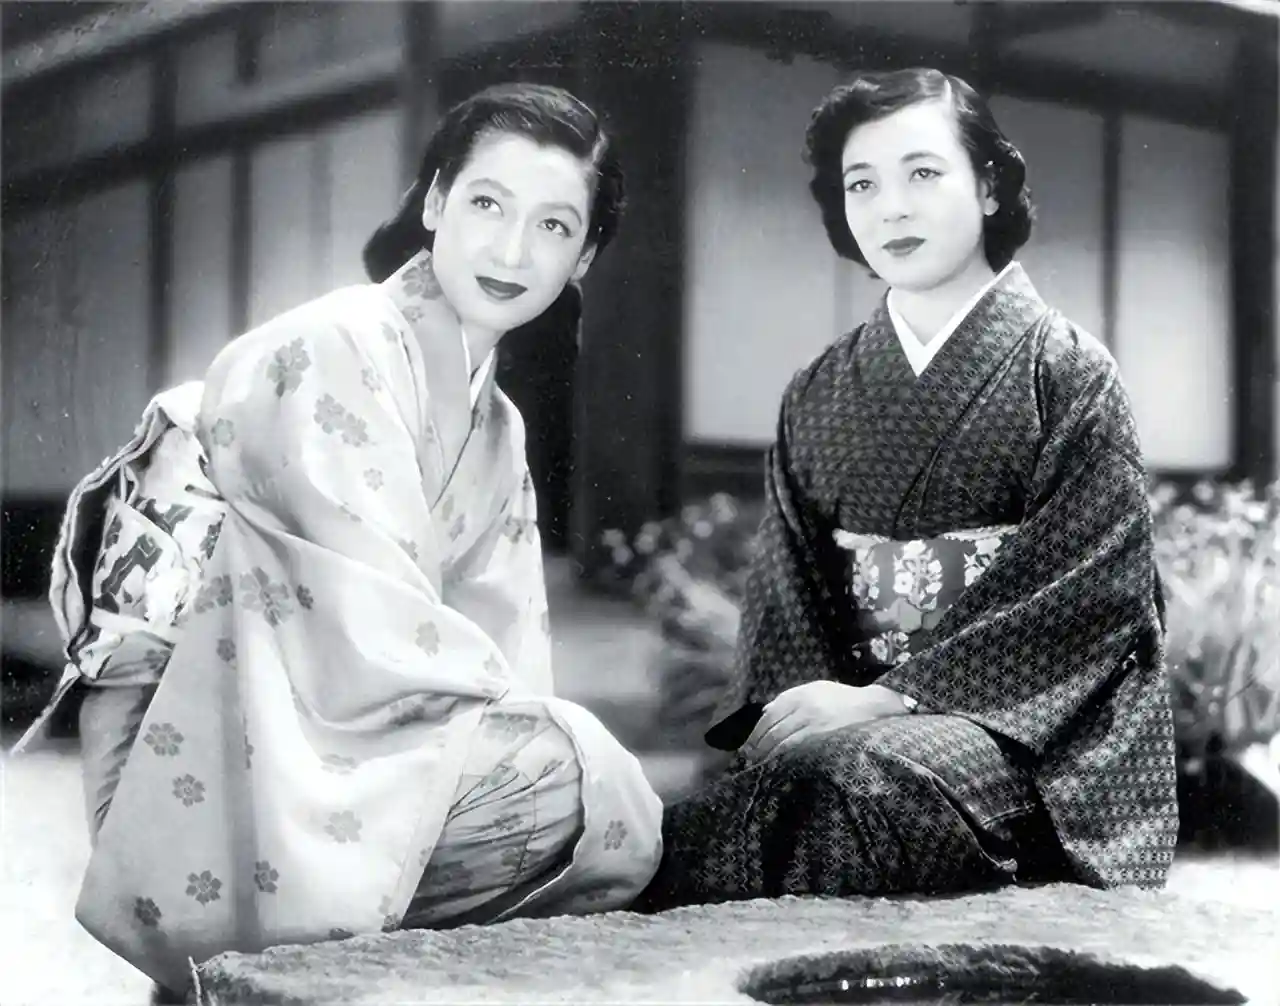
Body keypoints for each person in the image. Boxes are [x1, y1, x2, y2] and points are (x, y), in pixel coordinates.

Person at [16, 82, 662, 991]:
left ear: (584, 255)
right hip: (206, 744)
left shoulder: (497, 428)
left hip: (327, 742)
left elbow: (509, 650)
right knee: (568, 776)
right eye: (487, 204)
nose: (513, 250)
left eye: (554, 226)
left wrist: (527, 733)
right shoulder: (335, 346)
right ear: (435, 203)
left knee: (578, 786)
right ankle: (239, 966)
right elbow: (365, 627)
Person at [637, 68, 1177, 911]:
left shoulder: (1067, 372)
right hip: (854, 724)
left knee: (850, 781)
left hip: (1027, 738)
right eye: (863, 184)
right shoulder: (819, 389)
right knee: (755, 792)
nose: (891, 207)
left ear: (990, 186)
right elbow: (789, 596)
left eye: (923, 173)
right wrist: (798, 712)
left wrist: (891, 698)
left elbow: (1089, 594)